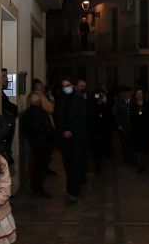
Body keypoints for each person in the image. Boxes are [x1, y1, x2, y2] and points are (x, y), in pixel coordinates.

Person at [55, 76, 88, 204]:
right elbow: (58, 117)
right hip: (64, 138)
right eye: (63, 86)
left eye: (67, 85)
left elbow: (81, 117)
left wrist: (71, 130)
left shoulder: (79, 99)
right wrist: (64, 130)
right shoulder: (60, 99)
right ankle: (70, 189)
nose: (65, 88)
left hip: (76, 137)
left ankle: (74, 192)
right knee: (67, 164)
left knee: (76, 164)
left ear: (72, 86)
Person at [22, 92, 54, 197]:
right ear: (39, 101)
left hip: (32, 144)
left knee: (36, 165)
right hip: (43, 144)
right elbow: (49, 130)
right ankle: (38, 188)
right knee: (41, 167)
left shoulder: (25, 114)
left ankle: (35, 186)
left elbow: (24, 131)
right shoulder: (42, 113)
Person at [91, 88, 114, 175]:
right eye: (98, 95)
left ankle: (103, 164)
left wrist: (105, 102)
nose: (99, 97)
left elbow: (109, 116)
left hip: (105, 132)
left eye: (102, 95)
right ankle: (98, 167)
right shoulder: (93, 105)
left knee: (103, 150)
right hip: (95, 132)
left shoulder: (106, 106)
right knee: (96, 151)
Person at [131, 88, 149, 173]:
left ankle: (142, 164)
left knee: (144, 149)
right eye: (138, 93)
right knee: (138, 149)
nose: (139, 95)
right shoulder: (133, 105)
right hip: (136, 131)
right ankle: (139, 166)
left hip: (145, 131)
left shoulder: (147, 105)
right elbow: (132, 118)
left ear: (143, 95)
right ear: (135, 95)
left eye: (141, 93)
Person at [114, 87, 135, 164]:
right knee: (124, 144)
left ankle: (132, 159)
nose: (127, 94)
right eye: (125, 92)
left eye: (128, 92)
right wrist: (119, 125)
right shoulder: (120, 102)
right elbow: (117, 115)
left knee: (132, 143)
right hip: (123, 127)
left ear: (130, 93)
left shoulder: (133, 102)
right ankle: (126, 159)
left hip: (132, 127)